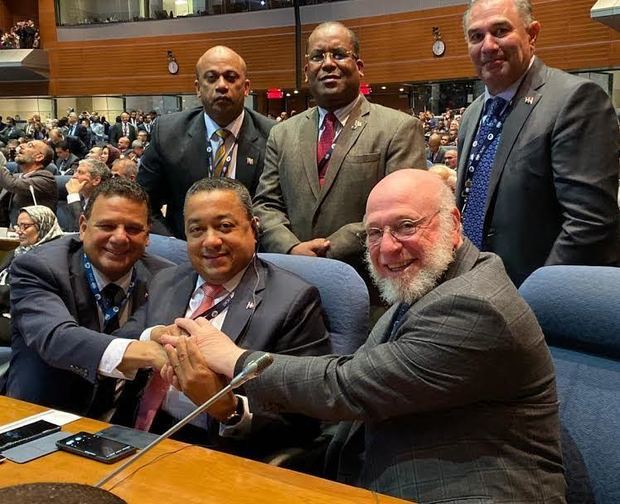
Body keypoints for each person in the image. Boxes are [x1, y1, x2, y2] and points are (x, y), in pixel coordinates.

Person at [161, 169, 566, 503]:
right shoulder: (432, 282)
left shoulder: (475, 306)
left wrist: (235, 359)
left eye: (405, 226)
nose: (387, 248)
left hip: (473, 489)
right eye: (374, 233)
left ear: (454, 224)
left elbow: (346, 385)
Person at [118, 177, 329, 460]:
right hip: (130, 436)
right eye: (196, 230)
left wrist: (227, 409)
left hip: (215, 451)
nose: (211, 241)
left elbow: (307, 421)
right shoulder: (166, 280)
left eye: (224, 226)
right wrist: (152, 336)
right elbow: (122, 340)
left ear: (254, 228)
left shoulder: (293, 300)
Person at [252, 22, 425, 315]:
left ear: (359, 66)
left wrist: (327, 248)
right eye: (318, 56)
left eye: (339, 54)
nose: (328, 64)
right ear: (307, 71)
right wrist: (293, 250)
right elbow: (266, 204)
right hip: (292, 289)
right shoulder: (283, 133)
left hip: (370, 293)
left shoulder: (398, 128)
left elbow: (402, 211)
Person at [457, 0, 620, 286]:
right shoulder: (472, 115)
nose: (488, 45)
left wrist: (535, 301)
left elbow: (589, 225)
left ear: (532, 35)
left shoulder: (575, 100)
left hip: (534, 299)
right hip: (473, 290)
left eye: (500, 30)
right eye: (476, 36)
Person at [2, 178, 173, 418]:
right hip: (42, 416)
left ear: (147, 236)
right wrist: (150, 354)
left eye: (133, 229)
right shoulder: (37, 266)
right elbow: (56, 337)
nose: (120, 238)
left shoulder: (166, 278)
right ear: (83, 227)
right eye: (107, 226)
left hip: (121, 429)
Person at [138, 45, 275, 238]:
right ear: (198, 89)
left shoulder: (273, 136)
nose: (221, 85)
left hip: (252, 251)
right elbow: (143, 204)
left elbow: (276, 208)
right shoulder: (168, 133)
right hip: (183, 251)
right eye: (211, 78)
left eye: (231, 77)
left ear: (246, 88)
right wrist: (176, 247)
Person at [0, 206, 64, 346]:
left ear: (43, 226)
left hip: (22, 320)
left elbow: (22, 292)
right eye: (18, 225)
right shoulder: (18, 251)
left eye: (25, 226)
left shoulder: (50, 258)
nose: (19, 231)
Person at [0, 141, 57, 225]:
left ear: (39, 157)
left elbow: (11, 184)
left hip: (35, 234)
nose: (21, 146)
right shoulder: (18, 176)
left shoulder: (46, 179)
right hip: (10, 231)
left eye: (30, 146)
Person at [64, 158, 111, 232]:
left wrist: (73, 195)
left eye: (80, 172)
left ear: (96, 180)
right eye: (75, 171)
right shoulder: (81, 198)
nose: (74, 176)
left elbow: (84, 230)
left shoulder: (105, 203)